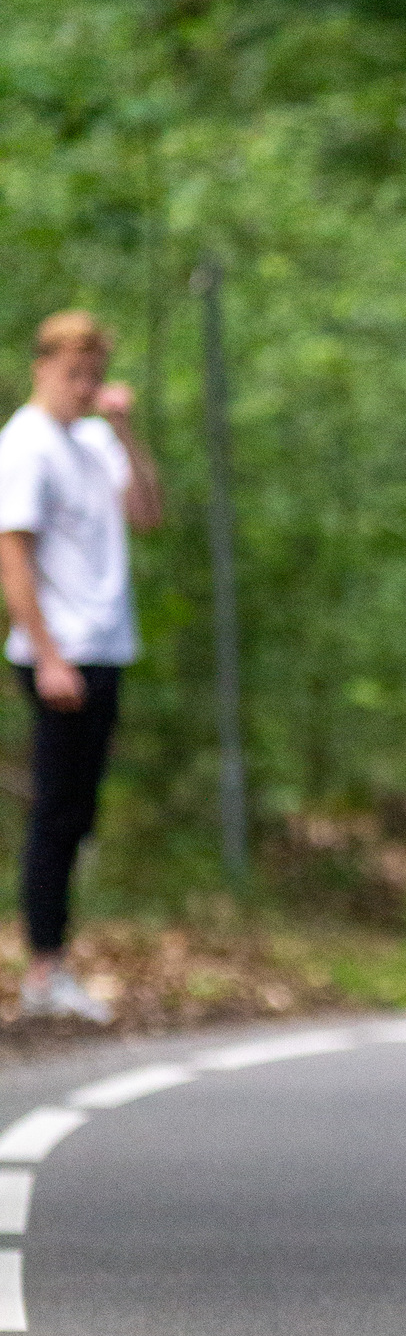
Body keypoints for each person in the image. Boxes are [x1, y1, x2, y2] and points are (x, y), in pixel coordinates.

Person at [0, 310, 163, 1023]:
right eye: (74, 374)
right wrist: (48, 654)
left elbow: (149, 513)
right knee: (57, 813)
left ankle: (53, 964)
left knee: (79, 811)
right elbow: (11, 552)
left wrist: (126, 428)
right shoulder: (25, 445)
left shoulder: (95, 440)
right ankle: (44, 968)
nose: (84, 387)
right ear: (42, 366)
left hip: (105, 648)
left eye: (94, 375)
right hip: (59, 656)